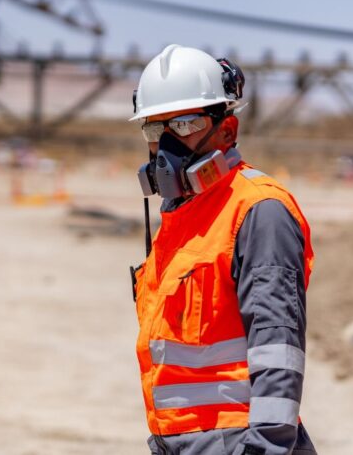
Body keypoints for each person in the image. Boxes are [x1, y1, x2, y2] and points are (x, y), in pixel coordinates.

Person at [129, 45, 315, 455]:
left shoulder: (259, 210)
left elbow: (277, 346)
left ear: (227, 131)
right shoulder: (180, 217)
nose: (167, 144)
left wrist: (265, 448)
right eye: (155, 130)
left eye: (184, 124)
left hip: (239, 443)